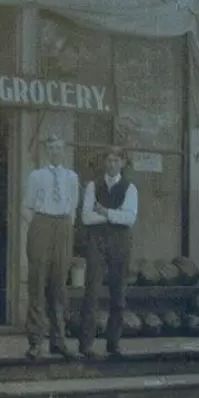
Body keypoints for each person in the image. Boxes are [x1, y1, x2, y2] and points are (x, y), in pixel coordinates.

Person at [77, 146, 138, 359]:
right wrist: (113, 215)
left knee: (118, 295)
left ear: (122, 163)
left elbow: (129, 218)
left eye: (116, 160)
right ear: (105, 162)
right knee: (91, 293)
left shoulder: (130, 188)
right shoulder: (93, 185)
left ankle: (113, 343)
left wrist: (104, 211)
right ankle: (85, 345)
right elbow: (86, 217)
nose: (112, 164)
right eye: (109, 160)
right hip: (97, 242)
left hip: (120, 244)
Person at [22, 134, 79, 361]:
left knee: (59, 286)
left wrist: (65, 227)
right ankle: (35, 342)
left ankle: (58, 341)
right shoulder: (37, 175)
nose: (55, 151)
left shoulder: (72, 177)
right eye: (51, 147)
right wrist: (37, 226)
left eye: (59, 147)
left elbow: (73, 206)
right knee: (37, 283)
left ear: (64, 149)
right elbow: (26, 205)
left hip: (63, 226)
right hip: (41, 224)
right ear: (46, 150)